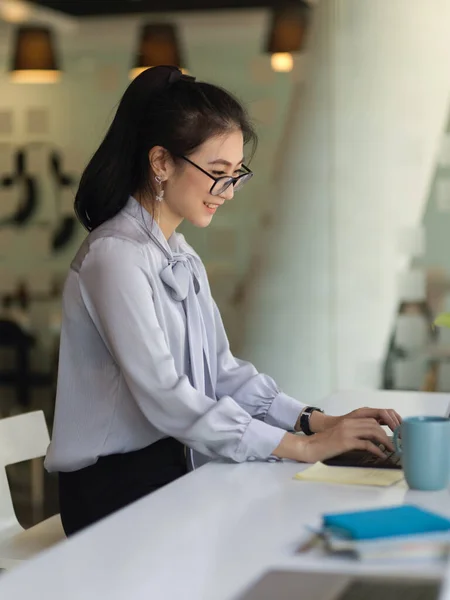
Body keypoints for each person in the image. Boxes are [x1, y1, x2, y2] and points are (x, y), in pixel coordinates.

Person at [45, 66, 401, 536]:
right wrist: (300, 447)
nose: (228, 192)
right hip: (113, 488)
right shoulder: (114, 257)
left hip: (171, 466)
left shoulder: (179, 254)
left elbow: (223, 371)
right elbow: (166, 396)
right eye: (217, 174)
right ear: (161, 163)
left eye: (236, 175)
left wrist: (313, 421)